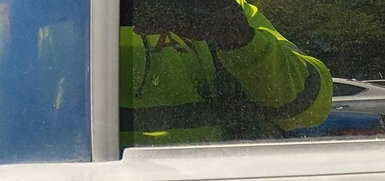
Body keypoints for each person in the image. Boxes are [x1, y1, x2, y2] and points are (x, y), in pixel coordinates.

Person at [120, 0, 332, 145]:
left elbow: (313, 109)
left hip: (228, 177)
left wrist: (241, 40)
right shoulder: (99, 14)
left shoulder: (225, 7)